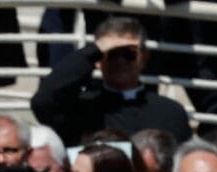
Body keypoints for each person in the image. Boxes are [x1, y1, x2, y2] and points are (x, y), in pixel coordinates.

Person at [30, 15, 192, 145]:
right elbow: (42, 102)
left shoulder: (170, 113)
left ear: (144, 58)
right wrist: (93, 50)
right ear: (99, 60)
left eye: (129, 53)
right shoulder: (81, 110)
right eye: (112, 53)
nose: (120, 61)